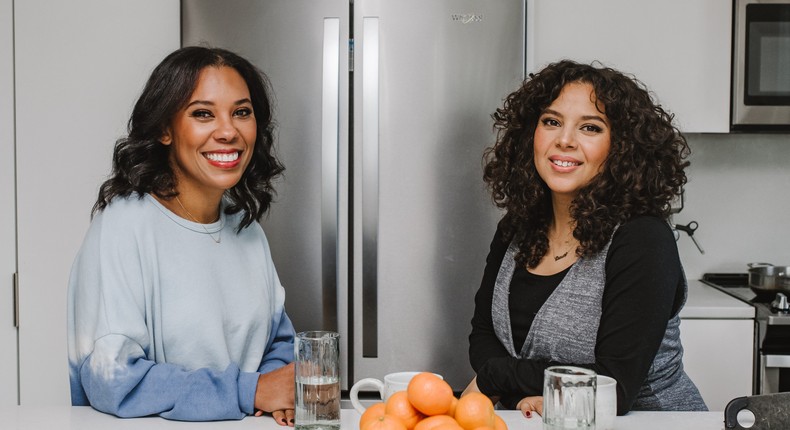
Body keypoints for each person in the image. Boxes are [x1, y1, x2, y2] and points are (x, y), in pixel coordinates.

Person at [67, 46, 297, 425]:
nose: (228, 131)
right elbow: (113, 380)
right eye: (203, 114)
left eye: (242, 112)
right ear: (164, 129)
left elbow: (279, 344)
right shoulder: (124, 226)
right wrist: (251, 390)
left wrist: (274, 387)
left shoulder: (246, 229)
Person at [464, 60, 707, 416]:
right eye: (551, 122)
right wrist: (520, 396)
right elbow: (483, 336)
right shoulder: (517, 227)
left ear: (621, 148)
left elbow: (615, 386)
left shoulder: (642, 238)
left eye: (590, 128)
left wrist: (499, 378)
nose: (564, 140)